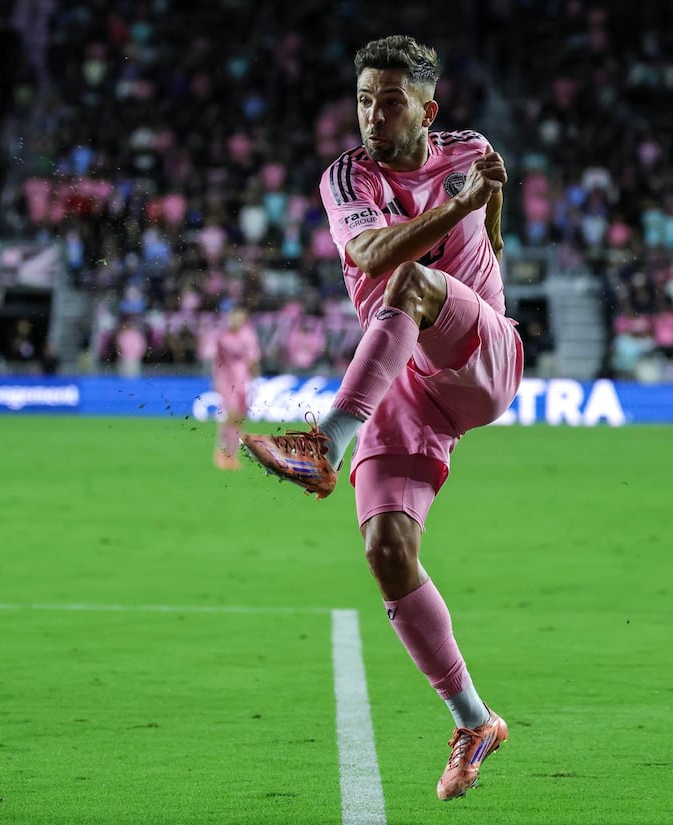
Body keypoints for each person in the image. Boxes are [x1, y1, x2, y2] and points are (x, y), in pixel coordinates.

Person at [241, 35, 522, 801]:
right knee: (387, 550)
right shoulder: (347, 177)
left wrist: (490, 236)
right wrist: (464, 207)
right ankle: (475, 722)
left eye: (391, 101)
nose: (373, 114)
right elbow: (368, 254)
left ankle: (324, 443)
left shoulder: (469, 149)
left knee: (415, 283)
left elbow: (490, 196)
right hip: (405, 381)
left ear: (428, 111)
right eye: (364, 99)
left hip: (480, 355)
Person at [209, 306, 261, 470]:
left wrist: (255, 381)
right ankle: (221, 451)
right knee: (231, 415)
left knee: (239, 418)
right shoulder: (222, 336)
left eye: (241, 318)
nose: (237, 320)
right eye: (235, 317)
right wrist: (216, 379)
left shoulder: (248, 336)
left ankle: (232, 454)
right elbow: (217, 360)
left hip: (243, 381)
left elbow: (253, 360)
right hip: (226, 380)